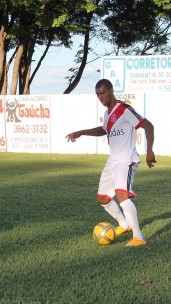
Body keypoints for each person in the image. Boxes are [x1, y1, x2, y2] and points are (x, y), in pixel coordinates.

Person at [66, 79, 156, 247]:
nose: (100, 97)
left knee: (122, 194)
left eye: (103, 93)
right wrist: (81, 132)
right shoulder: (108, 113)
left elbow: (148, 126)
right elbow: (103, 130)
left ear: (111, 91)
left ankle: (139, 237)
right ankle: (124, 224)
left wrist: (149, 150)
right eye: (98, 94)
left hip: (127, 160)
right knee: (103, 198)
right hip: (113, 161)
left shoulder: (124, 109)